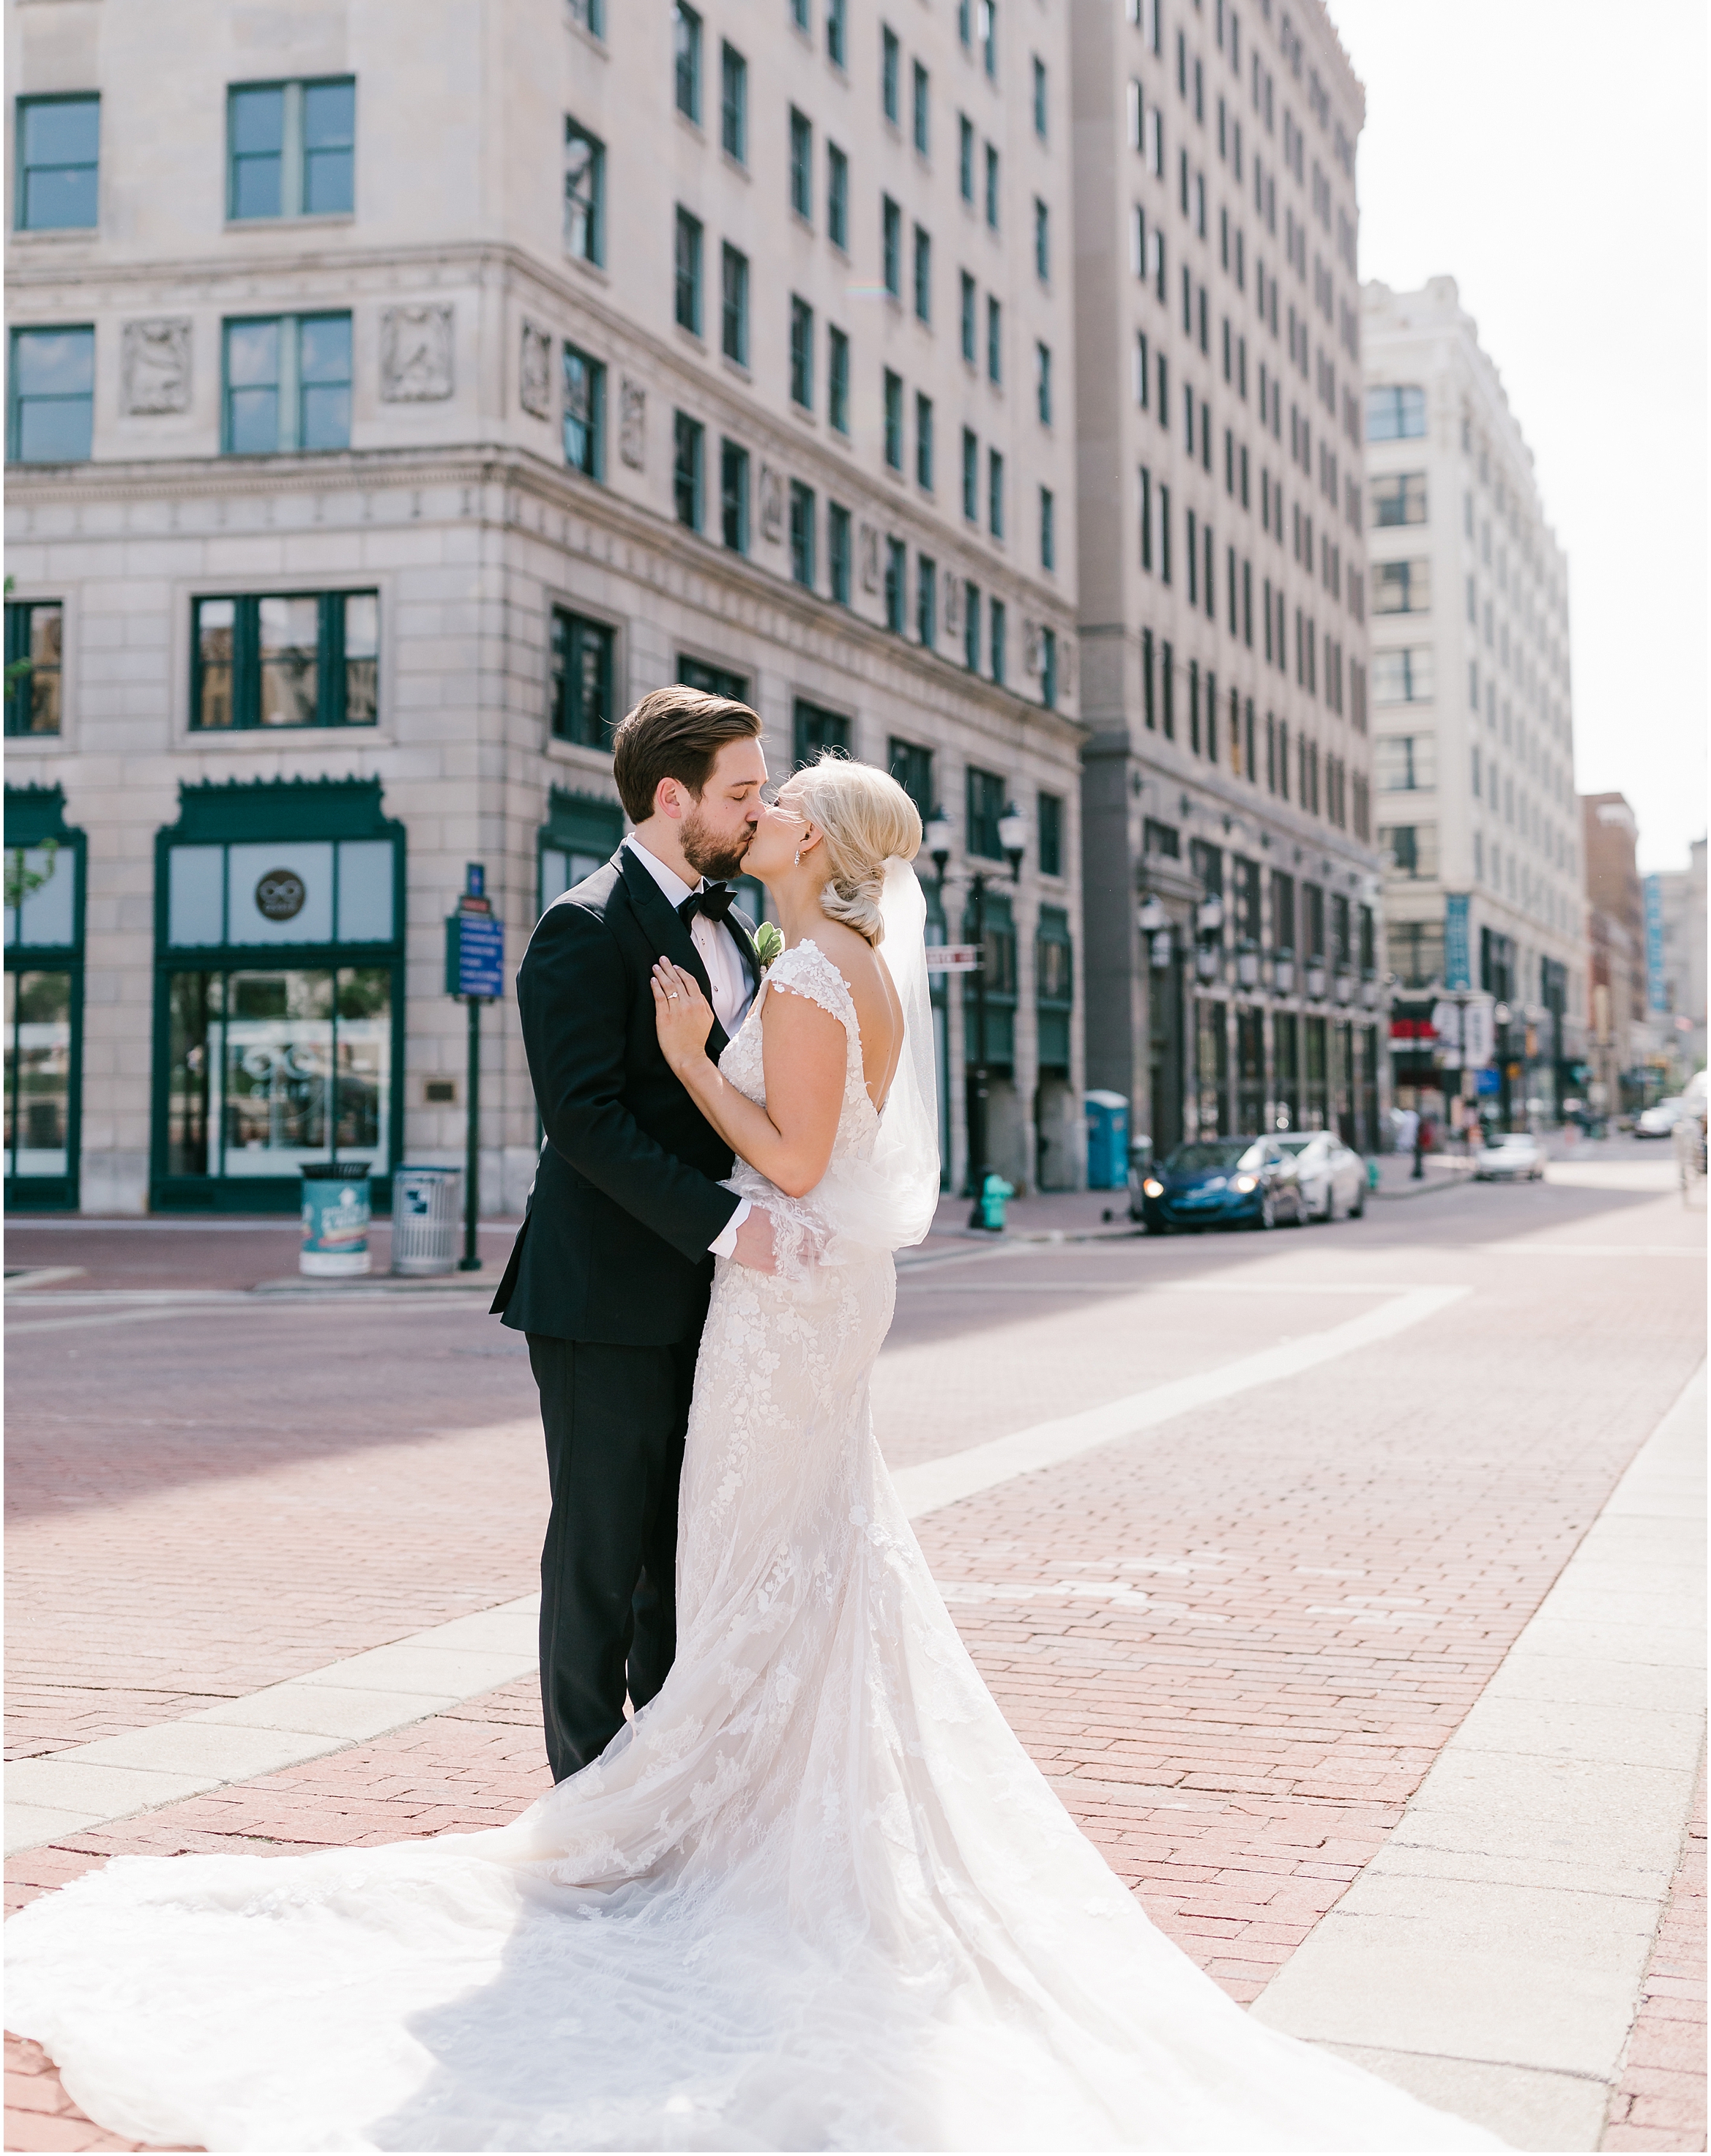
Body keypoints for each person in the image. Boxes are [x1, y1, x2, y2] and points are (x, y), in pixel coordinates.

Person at [4, 759, 1499, 2152]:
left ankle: (708, 1821)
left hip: (783, 1289)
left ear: (815, 848)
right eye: (748, 786)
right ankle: (740, 1809)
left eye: (779, 801)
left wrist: (688, 1053)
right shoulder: (840, 965)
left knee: (748, 1547)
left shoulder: (797, 966)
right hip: (815, 1284)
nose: (760, 806)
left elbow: (783, 1157)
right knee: (795, 1548)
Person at [489, 684, 779, 1784]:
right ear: (673, 797)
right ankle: (584, 1799)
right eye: (740, 792)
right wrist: (728, 1224)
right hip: (603, 1294)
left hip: (713, 1294)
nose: (757, 811)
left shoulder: (735, 926)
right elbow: (585, 1122)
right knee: (602, 1552)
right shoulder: (583, 925)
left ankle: (658, 1788)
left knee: (679, 1551)